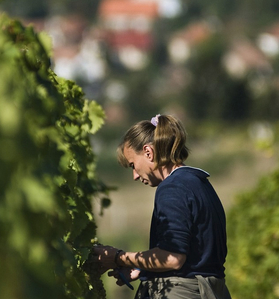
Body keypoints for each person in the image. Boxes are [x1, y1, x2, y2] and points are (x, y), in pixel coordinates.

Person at [93, 114, 231, 299]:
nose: (134, 175)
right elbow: (195, 255)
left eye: (133, 165)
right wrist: (142, 268)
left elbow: (172, 257)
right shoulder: (200, 183)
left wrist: (117, 257)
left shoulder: (172, 188)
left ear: (148, 152)